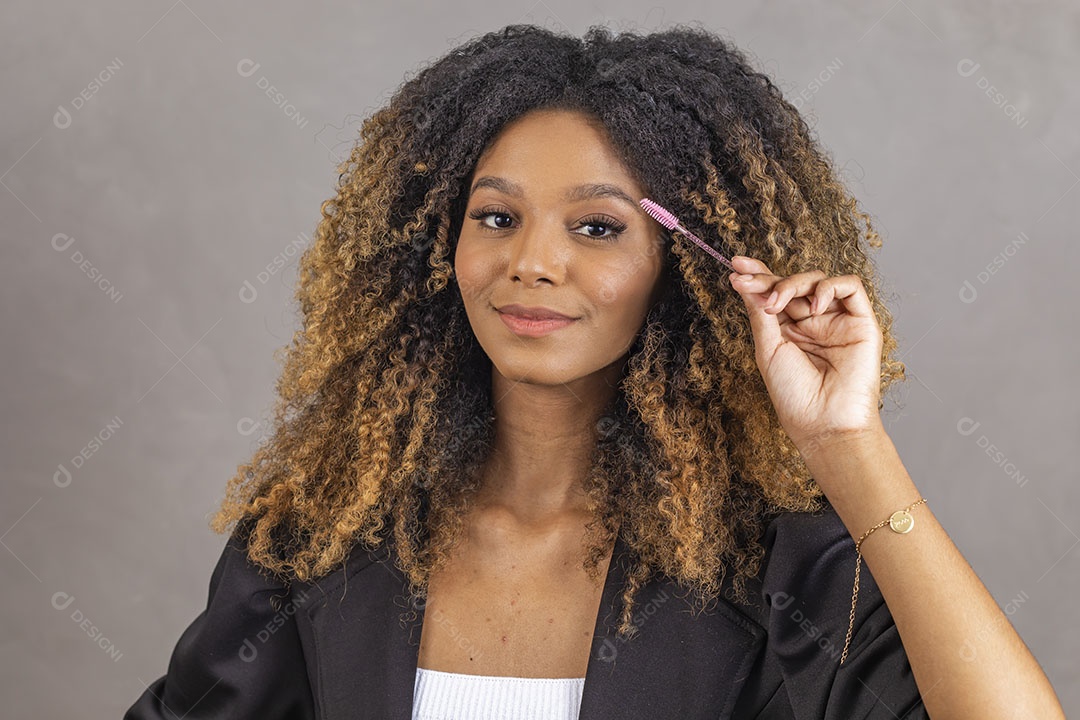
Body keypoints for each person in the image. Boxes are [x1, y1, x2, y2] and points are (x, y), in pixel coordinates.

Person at [123, 23, 1066, 719]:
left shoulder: (780, 568)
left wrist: (845, 442)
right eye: (495, 216)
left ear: (688, 270)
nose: (531, 261)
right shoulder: (321, 540)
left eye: (598, 227)